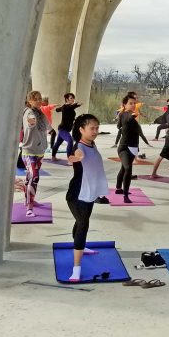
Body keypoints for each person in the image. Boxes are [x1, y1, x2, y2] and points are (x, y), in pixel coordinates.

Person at [64, 114, 108, 282]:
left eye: (97, 128)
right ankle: (76, 268)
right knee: (83, 224)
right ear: (81, 130)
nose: (95, 131)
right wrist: (74, 158)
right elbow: (75, 156)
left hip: (89, 192)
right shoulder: (79, 147)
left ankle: (81, 246)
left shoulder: (92, 143)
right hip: (77, 194)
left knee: (82, 220)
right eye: (92, 128)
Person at [20, 91, 51, 217]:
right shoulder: (29, 112)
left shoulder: (40, 112)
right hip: (29, 151)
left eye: (40, 99)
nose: (39, 101)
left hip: (39, 151)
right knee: (34, 176)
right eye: (35, 99)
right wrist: (31, 122)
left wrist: (53, 131)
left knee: (30, 177)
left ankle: (29, 199)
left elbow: (47, 127)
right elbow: (30, 122)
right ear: (30, 101)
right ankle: (29, 206)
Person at [115, 95, 151, 203]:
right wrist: (131, 117)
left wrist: (147, 142)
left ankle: (118, 188)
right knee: (127, 168)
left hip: (133, 148)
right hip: (124, 148)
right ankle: (125, 196)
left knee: (123, 168)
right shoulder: (125, 115)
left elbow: (119, 126)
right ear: (124, 105)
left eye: (134, 103)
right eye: (130, 103)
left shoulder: (128, 116)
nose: (133, 105)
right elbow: (124, 121)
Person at [51, 93, 82, 160]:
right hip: (63, 129)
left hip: (66, 129)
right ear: (67, 99)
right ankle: (69, 159)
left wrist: (58, 109)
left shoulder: (65, 107)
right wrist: (77, 105)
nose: (73, 99)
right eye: (71, 98)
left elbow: (57, 110)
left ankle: (53, 157)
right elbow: (70, 107)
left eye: (73, 98)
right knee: (70, 141)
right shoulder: (66, 107)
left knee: (58, 143)